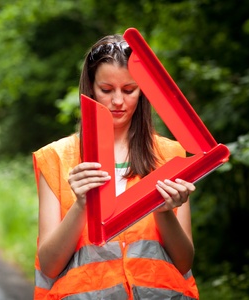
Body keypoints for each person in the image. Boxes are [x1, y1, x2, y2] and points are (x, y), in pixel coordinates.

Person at [32, 33, 199, 299]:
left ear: (143, 90)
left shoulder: (170, 154)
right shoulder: (56, 157)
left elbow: (184, 263)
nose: (118, 101)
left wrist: (164, 211)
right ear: (90, 88)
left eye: (129, 90)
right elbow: (50, 266)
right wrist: (81, 205)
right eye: (106, 90)